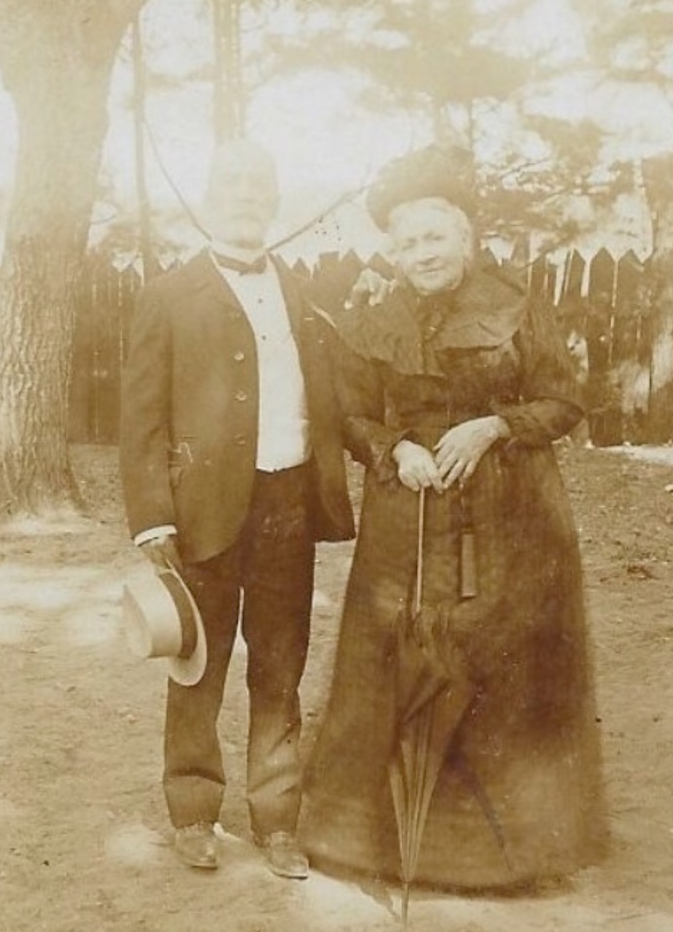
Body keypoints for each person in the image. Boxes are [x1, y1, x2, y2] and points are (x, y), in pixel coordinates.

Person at [299, 145, 607, 893]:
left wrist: (493, 426)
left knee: (500, 663)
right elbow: (350, 414)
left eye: (433, 238)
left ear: (464, 239)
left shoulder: (517, 304)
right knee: (398, 652)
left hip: (512, 519)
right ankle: (373, 843)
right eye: (404, 242)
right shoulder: (375, 319)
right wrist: (394, 446)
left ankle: (515, 855)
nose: (419, 254)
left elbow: (565, 401)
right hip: (409, 514)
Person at [119, 139, 354, 878]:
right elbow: (141, 417)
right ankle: (193, 810)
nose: (246, 195)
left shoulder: (299, 290)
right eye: (231, 183)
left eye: (259, 183)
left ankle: (277, 819)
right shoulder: (166, 294)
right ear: (209, 196)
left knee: (280, 665)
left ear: (273, 197)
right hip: (201, 511)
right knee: (199, 662)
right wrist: (153, 514)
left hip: (287, 501)